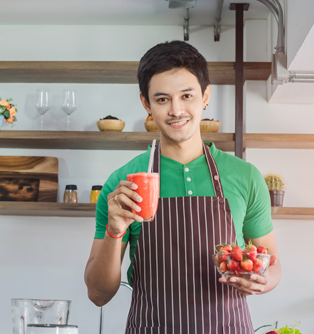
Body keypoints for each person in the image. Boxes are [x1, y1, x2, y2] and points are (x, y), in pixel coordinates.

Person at [84, 41, 281, 333]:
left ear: (205, 96)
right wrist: (115, 230)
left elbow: (272, 264)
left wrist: (262, 281)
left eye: (186, 96)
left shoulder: (246, 176)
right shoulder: (123, 183)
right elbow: (98, 294)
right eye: (162, 99)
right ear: (146, 104)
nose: (176, 110)